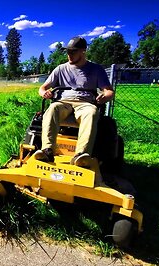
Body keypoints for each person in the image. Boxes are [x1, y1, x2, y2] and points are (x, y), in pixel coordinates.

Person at [34, 36, 115, 167]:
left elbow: (109, 91)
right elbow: (42, 88)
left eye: (73, 52)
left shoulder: (96, 69)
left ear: (83, 51)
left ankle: (81, 155)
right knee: (52, 109)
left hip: (85, 103)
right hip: (63, 102)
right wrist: (44, 92)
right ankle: (47, 150)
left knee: (92, 112)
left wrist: (105, 96)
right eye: (68, 52)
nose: (69, 55)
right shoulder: (60, 69)